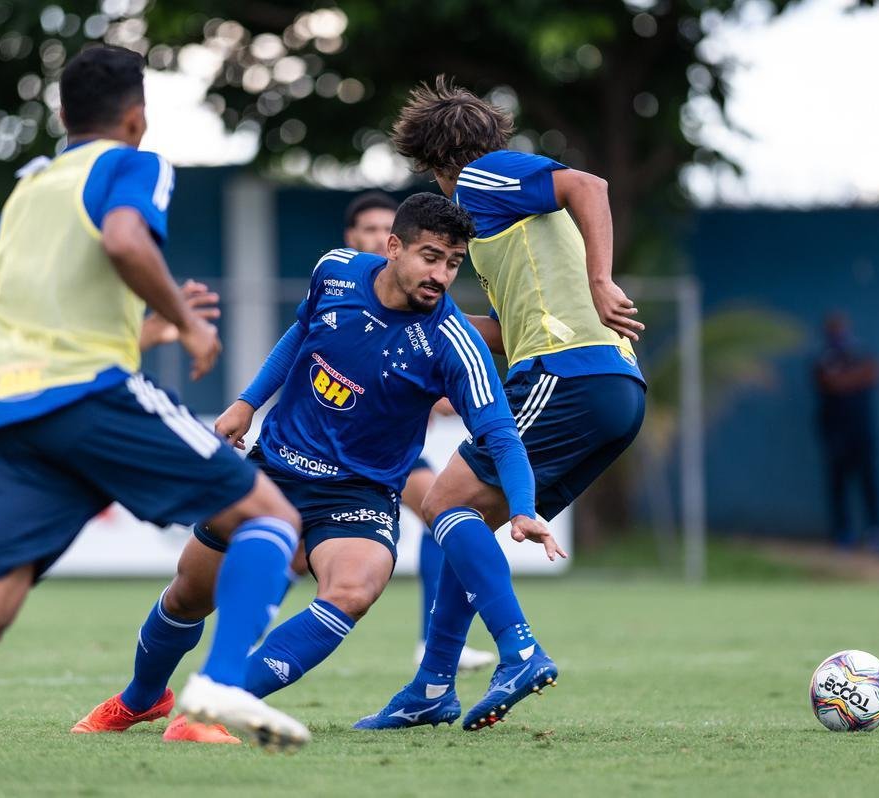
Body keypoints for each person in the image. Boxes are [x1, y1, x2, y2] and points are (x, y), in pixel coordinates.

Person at [0, 47, 309, 787]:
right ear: (136, 117)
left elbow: (48, 313)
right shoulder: (134, 164)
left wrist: (146, 331)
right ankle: (222, 680)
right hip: (88, 395)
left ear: (61, 115)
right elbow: (124, 239)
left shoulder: (29, 188)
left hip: (10, 411)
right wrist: (189, 322)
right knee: (269, 516)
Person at [72, 193, 544, 740]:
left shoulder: (453, 343)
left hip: (359, 495)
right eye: (431, 256)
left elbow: (500, 435)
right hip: (276, 470)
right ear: (393, 247)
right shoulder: (337, 271)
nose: (441, 274)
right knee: (188, 593)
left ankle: (219, 707)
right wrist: (247, 402)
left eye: (453, 263)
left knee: (355, 588)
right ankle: (141, 699)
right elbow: (301, 332)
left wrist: (525, 508)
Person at [356, 77, 647, 732]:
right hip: (613, 389)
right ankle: (433, 686)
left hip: (569, 375)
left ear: (436, 162)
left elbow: (589, 186)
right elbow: (506, 330)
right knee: (464, 524)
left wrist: (602, 280)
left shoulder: (483, 180)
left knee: (442, 505)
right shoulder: (498, 225)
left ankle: (517, 650)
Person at [342, 191, 494, 672]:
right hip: (332, 446)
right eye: (367, 229)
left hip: (389, 454)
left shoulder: (423, 303)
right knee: (292, 552)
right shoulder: (339, 284)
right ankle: (244, 634)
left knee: (443, 510)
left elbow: (429, 358)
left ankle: (433, 642)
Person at [814, 311, 879, 550]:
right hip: (836, 434)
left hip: (862, 433)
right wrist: (853, 379)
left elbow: (873, 373)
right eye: (834, 329)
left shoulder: (861, 351)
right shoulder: (824, 357)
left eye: (841, 328)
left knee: (869, 484)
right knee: (838, 486)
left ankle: (876, 533)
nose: (839, 333)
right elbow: (828, 382)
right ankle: (843, 534)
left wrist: (844, 379)